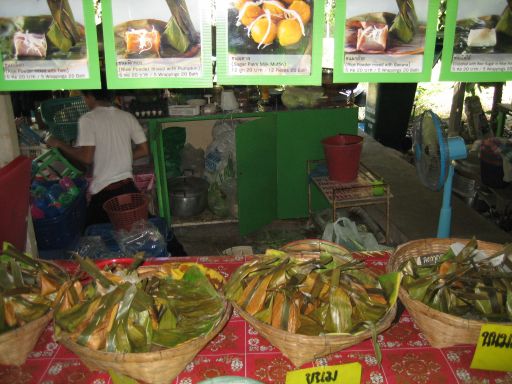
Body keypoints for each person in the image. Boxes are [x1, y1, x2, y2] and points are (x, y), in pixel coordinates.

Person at [46, 82, 149, 226]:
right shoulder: (127, 116)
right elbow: (144, 150)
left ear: (90, 96)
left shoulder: (88, 119)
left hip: (105, 193)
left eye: (84, 97)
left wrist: (59, 144)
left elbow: (86, 158)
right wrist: (120, 156)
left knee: (93, 236)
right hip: (129, 189)